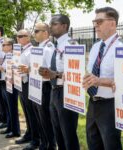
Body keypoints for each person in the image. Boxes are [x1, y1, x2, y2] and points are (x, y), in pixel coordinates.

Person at [82, 7, 123, 150]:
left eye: (99, 21)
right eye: (94, 22)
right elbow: (90, 72)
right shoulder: (96, 46)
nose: (96, 25)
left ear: (112, 24)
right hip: (93, 102)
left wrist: (100, 81)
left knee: (110, 145)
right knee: (93, 142)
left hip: (111, 105)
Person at [39, 14, 80, 150]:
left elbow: (76, 73)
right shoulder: (56, 45)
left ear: (64, 26)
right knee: (58, 131)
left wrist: (55, 74)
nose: (51, 27)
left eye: (54, 24)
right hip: (54, 91)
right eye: (50, 24)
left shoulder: (71, 44)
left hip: (67, 93)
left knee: (68, 134)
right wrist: (45, 71)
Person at [15, 29, 40, 149]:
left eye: (21, 36)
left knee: (31, 112)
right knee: (26, 111)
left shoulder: (31, 50)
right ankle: (29, 133)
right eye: (17, 36)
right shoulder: (22, 49)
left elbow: (35, 68)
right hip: (21, 83)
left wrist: (28, 69)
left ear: (28, 37)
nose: (18, 38)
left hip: (29, 84)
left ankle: (36, 139)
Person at [32, 22, 56, 150]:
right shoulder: (40, 47)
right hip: (36, 85)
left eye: (37, 31)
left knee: (46, 119)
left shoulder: (48, 48)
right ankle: (44, 143)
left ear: (45, 33)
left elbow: (50, 71)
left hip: (45, 87)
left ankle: (50, 145)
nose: (34, 33)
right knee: (40, 118)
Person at [0, 38, 20, 138]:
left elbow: (14, 70)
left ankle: (15, 130)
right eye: (2, 45)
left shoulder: (14, 56)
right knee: (7, 107)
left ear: (10, 46)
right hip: (4, 83)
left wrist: (2, 68)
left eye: (4, 45)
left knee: (12, 108)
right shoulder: (6, 55)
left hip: (11, 84)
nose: (2, 46)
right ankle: (10, 127)